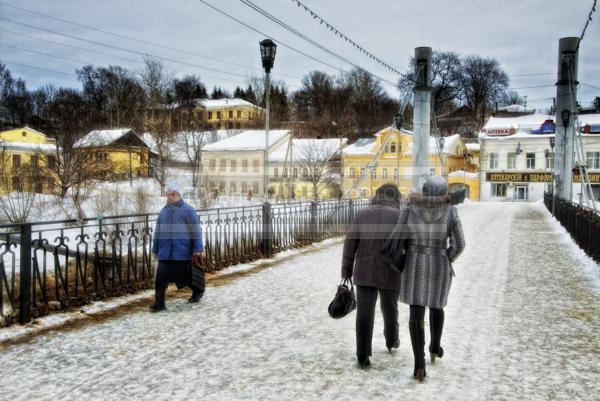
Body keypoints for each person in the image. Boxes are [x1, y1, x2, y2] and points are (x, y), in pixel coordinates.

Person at [391, 176, 465, 381]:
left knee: (416, 311)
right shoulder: (451, 211)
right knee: (436, 306)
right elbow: (460, 243)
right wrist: (447, 257)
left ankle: (419, 365)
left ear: (423, 190)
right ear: (444, 192)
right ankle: (434, 347)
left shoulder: (409, 208)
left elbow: (399, 235)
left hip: (414, 263)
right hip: (439, 264)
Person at [341, 184, 403, 369]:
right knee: (390, 307)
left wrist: (346, 269)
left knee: (364, 312)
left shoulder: (362, 214)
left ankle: (362, 354)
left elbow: (350, 243)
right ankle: (392, 340)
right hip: (391, 271)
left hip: (364, 269)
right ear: (396, 197)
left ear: (377, 195)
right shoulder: (400, 217)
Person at [150, 181, 205, 312]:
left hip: (182, 252)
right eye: (167, 194)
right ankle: (159, 303)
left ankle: (197, 290)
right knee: (160, 278)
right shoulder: (163, 212)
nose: (169, 197)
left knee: (185, 278)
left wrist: (197, 248)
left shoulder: (188, 210)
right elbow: (158, 231)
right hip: (164, 252)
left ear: (179, 195)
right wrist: (155, 249)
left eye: (172, 194)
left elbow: (196, 230)